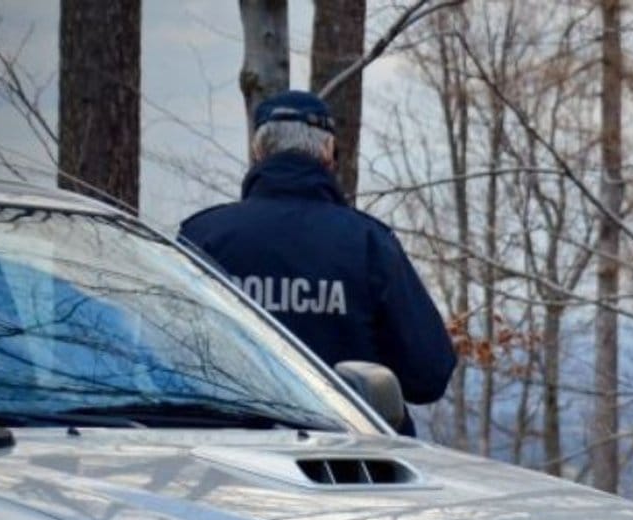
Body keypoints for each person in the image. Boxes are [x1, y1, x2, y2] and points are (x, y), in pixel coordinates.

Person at [180, 90, 455, 432]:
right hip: (352, 465)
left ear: (258, 151)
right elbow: (428, 375)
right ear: (328, 152)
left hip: (222, 459)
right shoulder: (368, 244)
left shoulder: (201, 239)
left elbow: (160, 358)